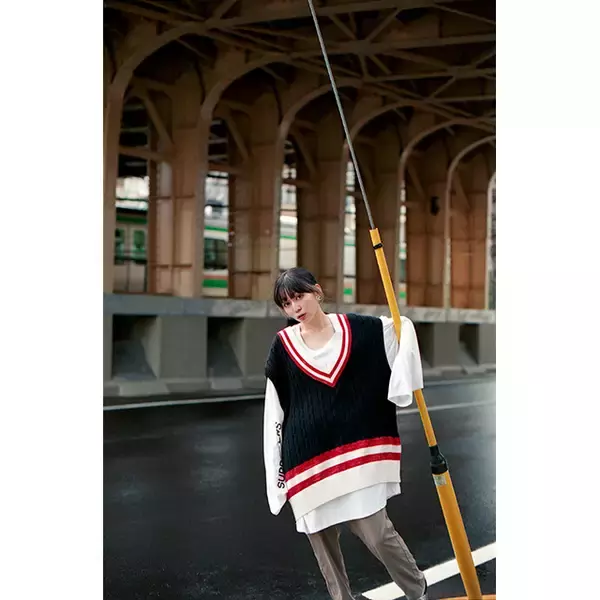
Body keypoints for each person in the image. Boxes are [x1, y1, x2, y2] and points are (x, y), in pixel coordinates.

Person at [263, 267, 429, 600]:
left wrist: (403, 380)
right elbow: (274, 412)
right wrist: (277, 476)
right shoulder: (282, 347)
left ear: (317, 291)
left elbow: (400, 329)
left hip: (358, 453)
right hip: (306, 463)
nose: (295, 307)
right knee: (323, 546)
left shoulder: (359, 329)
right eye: (287, 303)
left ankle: (417, 591)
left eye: (299, 296)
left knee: (378, 534)